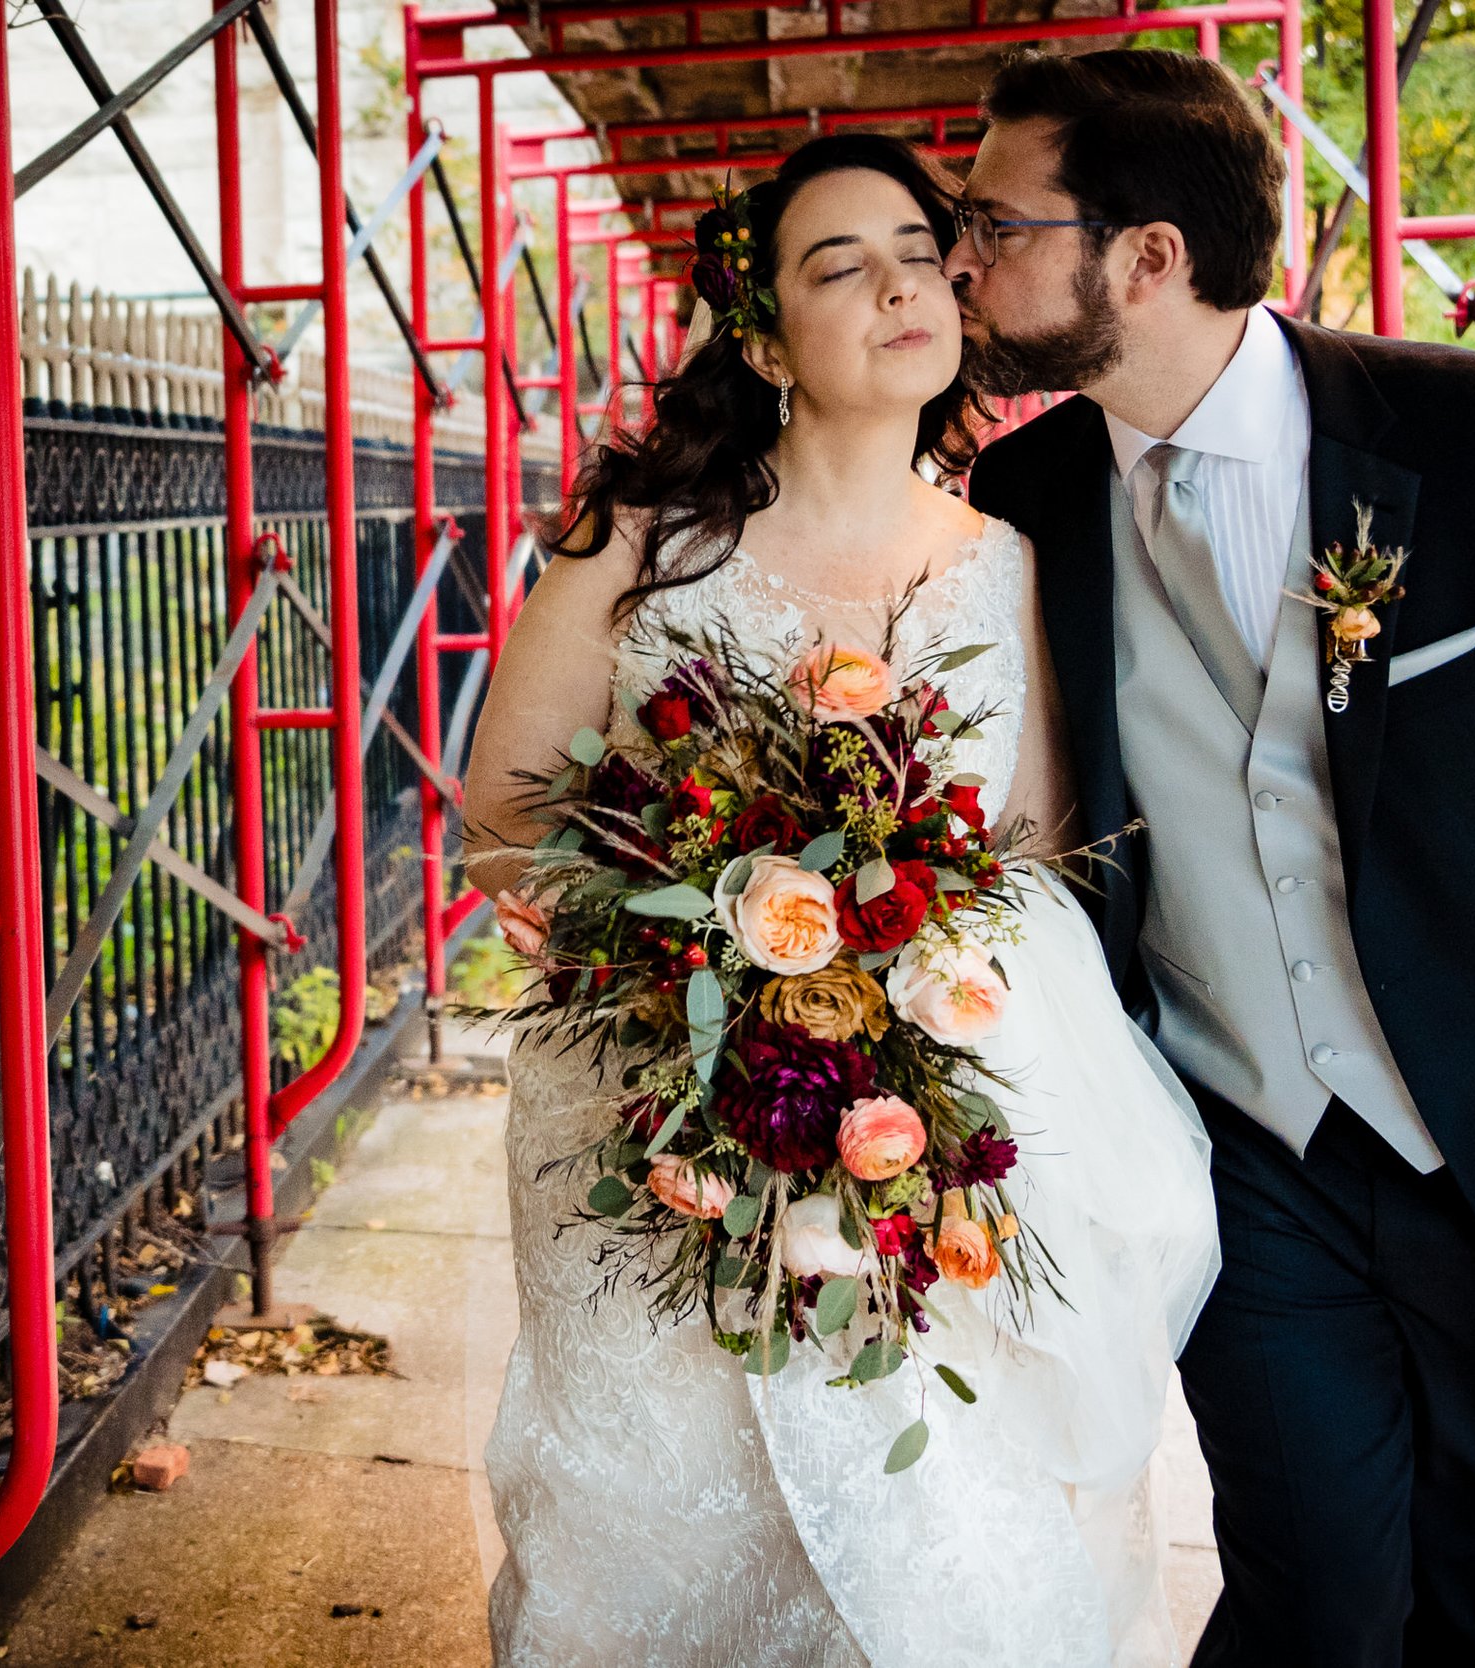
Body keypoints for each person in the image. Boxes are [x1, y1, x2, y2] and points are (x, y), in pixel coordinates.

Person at [949, 48, 1475, 1668]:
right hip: (1246, 1156)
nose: (958, 257)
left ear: (1147, 257)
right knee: (1319, 1603)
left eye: (993, 222)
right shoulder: (1022, 498)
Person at [462, 132, 1220, 1667]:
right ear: (760, 338)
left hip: (936, 1125)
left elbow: (1037, 855)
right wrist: (700, 954)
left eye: (920, 252)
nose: (903, 285)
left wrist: (899, 1013)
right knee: (682, 1508)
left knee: (942, 1525)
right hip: (666, 1112)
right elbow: (504, 821)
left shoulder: (1017, 563)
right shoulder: (647, 550)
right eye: (839, 265)